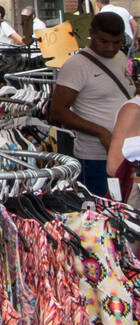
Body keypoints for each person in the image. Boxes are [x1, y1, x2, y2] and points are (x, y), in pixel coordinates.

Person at [49, 12, 136, 197]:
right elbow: (57, 112)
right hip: (94, 158)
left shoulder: (120, 57)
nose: (111, 47)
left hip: (125, 153)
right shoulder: (76, 66)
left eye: (117, 42)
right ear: (92, 33)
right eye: (104, 42)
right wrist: (100, 132)